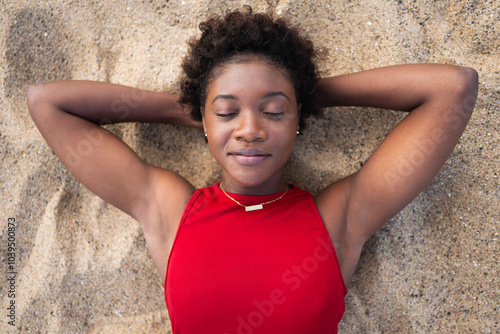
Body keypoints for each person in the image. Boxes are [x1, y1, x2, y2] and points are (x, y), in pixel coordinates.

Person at [27, 7, 478, 334]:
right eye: (228, 113)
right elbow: (48, 103)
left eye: (274, 112)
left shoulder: (339, 220)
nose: (250, 129)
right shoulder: (167, 211)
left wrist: (306, 97)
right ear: (204, 120)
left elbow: (452, 89)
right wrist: (192, 106)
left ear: (297, 119)